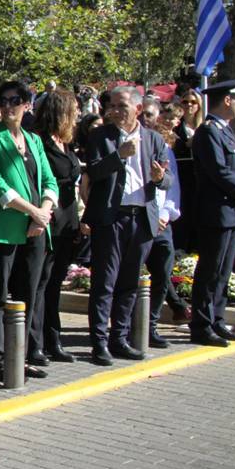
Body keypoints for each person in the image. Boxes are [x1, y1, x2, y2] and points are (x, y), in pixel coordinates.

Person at [83, 85, 172, 366]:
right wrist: (118, 155)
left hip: (141, 218)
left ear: (137, 108)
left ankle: (119, 339)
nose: (116, 111)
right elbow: (93, 172)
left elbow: (168, 180)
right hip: (112, 218)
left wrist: (159, 178)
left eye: (122, 106)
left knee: (129, 283)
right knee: (104, 283)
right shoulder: (100, 136)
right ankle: (99, 343)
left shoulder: (153, 139)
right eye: (112, 106)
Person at [0, 81, 59, 381]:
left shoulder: (34, 140)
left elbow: (49, 180)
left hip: (36, 229)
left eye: (15, 100)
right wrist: (32, 211)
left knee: (28, 295)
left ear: (27, 104)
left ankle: (20, 358)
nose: (8, 106)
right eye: (3, 100)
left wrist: (43, 213)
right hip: (3, 229)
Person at [190, 81, 235, 346]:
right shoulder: (209, 132)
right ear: (227, 100)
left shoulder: (225, 131)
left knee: (223, 272)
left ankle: (217, 320)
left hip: (230, 211)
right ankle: (202, 325)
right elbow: (219, 171)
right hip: (216, 212)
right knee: (210, 270)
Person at [31, 89, 82, 363]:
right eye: (74, 110)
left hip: (68, 220)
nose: (78, 115)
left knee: (55, 284)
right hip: (50, 218)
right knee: (41, 282)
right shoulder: (40, 141)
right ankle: (35, 343)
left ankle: (53, 338)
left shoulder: (65, 142)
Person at [146, 106, 188, 346]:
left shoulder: (164, 149)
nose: (147, 119)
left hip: (162, 223)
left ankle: (150, 325)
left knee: (163, 272)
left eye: (151, 114)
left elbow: (173, 187)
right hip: (139, 220)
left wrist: (164, 214)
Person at [173, 88, 204, 252]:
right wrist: (185, 144)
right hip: (182, 178)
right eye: (185, 102)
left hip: (200, 179)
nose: (189, 105)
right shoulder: (175, 128)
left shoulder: (205, 127)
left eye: (193, 102)